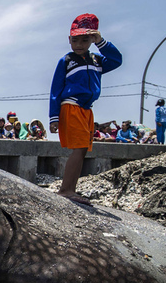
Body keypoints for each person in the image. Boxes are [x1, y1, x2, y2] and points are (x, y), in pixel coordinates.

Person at [49, 13, 122, 205]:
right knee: (79, 148)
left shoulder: (97, 61)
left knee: (83, 150)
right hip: (71, 106)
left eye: (85, 40)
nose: (79, 44)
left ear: (91, 40)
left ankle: (69, 188)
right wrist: (54, 117)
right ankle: (66, 190)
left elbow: (117, 60)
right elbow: (55, 89)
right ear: (69, 40)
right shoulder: (67, 60)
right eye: (75, 40)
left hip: (87, 109)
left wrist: (102, 42)